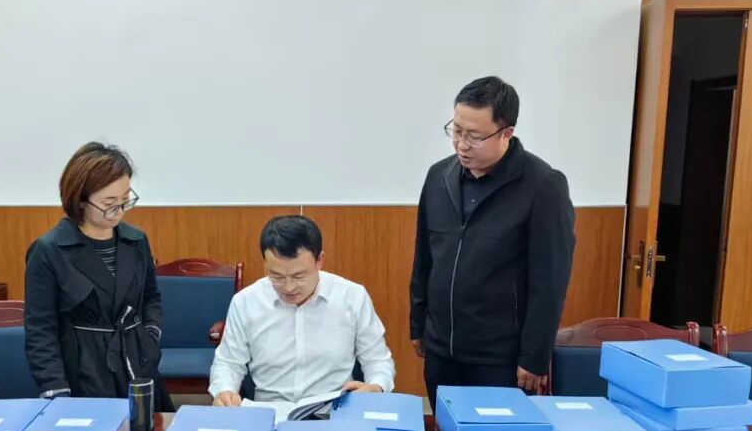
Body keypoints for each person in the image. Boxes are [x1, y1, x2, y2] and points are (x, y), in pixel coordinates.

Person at [410, 76, 575, 407]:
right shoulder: (438, 176)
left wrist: (534, 356)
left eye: (474, 136)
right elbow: (425, 257)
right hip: (441, 351)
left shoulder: (543, 186)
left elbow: (550, 281)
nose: (462, 144)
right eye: (456, 130)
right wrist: (418, 324)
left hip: (500, 360)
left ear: (506, 133)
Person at [24, 141, 172, 410]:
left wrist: (150, 336)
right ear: (80, 199)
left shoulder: (136, 240)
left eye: (125, 200)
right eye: (109, 203)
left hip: (137, 363)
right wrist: (55, 389)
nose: (119, 210)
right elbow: (40, 330)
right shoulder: (49, 250)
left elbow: (151, 297)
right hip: (84, 371)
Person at [210, 215, 395, 406]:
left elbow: (378, 360)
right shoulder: (246, 302)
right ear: (265, 264)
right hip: (269, 413)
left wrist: (375, 387)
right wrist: (224, 391)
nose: (288, 287)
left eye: (299, 276)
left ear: (319, 261)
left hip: (333, 412)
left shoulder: (352, 297)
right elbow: (228, 364)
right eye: (277, 276)